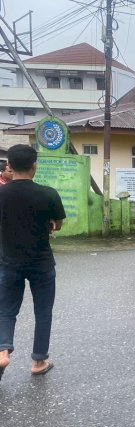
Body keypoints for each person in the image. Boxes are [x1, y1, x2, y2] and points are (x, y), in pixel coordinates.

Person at [0, 144, 65, 381]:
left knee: (6, 311)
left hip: (8, 262)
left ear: (10, 166)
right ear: (34, 165)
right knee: (43, 312)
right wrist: (49, 225)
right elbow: (57, 224)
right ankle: (39, 360)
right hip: (41, 263)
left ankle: (2, 351)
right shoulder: (48, 194)